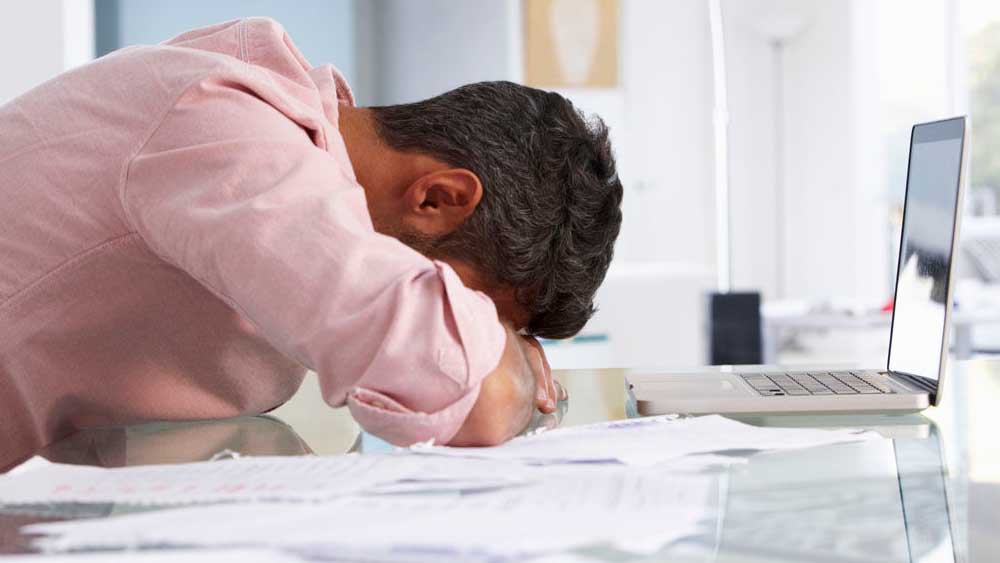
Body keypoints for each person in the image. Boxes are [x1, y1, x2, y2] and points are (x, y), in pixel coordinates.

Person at [0, 18, 622, 469]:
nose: (470, 323)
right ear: (438, 198)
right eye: (471, 304)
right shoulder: (224, 124)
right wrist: (510, 367)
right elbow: (471, 394)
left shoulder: (283, 156)